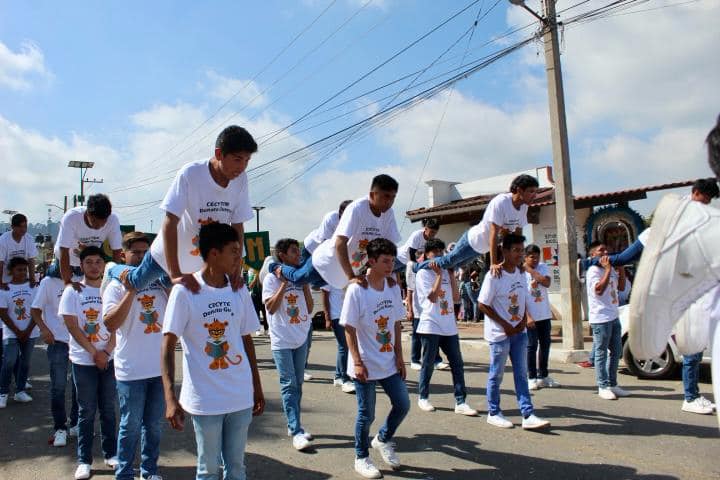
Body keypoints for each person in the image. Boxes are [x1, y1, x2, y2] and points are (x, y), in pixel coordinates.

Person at [161, 223, 264, 480]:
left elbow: (246, 339)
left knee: (237, 467)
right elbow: (166, 346)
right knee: (208, 469)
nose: (238, 258)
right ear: (214, 253)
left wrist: (256, 386)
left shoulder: (239, 288)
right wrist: (170, 398)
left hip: (239, 396)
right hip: (205, 400)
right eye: (234, 251)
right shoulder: (185, 291)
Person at [107, 126, 258, 294]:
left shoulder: (241, 180)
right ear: (219, 154)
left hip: (201, 262)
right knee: (136, 283)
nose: (242, 166)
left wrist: (237, 267)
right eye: (238, 159)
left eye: (247, 160)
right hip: (166, 258)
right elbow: (170, 223)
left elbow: (237, 225)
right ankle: (113, 269)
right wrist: (174, 273)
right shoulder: (191, 174)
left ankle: (166, 280)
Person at [341, 238, 410, 479]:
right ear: (371, 261)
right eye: (385, 261)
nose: (391, 265)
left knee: (403, 404)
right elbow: (348, 328)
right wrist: (357, 362)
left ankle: (382, 439)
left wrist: (400, 357)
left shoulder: (392, 286)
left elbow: (396, 324)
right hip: (365, 366)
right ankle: (361, 457)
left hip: (389, 362)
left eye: (392, 260)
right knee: (366, 414)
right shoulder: (357, 289)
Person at [103, 232, 168, 480]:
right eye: (136, 253)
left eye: (145, 253)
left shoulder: (161, 282)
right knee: (129, 426)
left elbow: (178, 313)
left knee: (153, 426)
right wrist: (132, 289)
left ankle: (149, 470)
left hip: (160, 369)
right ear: (123, 255)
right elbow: (110, 323)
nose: (141, 257)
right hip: (131, 370)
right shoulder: (116, 286)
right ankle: (124, 473)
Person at [271, 174, 401, 289]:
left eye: (393, 197)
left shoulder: (389, 215)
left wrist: (388, 276)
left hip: (342, 274)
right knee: (298, 279)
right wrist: (351, 277)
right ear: (373, 194)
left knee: (315, 286)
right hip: (327, 262)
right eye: (386, 196)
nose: (389, 202)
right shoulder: (357, 209)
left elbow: (388, 249)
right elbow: (340, 243)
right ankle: (274, 266)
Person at [478, 234, 550, 430]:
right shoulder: (494, 275)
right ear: (505, 251)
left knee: (521, 373)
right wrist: (505, 325)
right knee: (497, 374)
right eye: (516, 250)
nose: (520, 254)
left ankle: (527, 413)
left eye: (522, 250)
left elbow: (523, 298)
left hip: (519, 333)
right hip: (500, 335)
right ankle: (493, 412)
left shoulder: (520, 272)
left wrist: (524, 320)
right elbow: (482, 304)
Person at [59, 246, 118, 480]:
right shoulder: (73, 291)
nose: (94, 266)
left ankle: (111, 454)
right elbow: (72, 326)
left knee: (109, 410)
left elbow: (118, 324)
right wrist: (95, 352)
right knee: (86, 411)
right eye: (89, 262)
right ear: (81, 265)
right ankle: (84, 460)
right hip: (84, 361)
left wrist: (108, 351)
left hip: (109, 359)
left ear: (104, 265)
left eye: (98, 262)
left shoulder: (112, 289)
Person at [581, 178, 719, 271]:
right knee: (620, 259)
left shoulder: (692, 208)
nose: (707, 202)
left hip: (657, 247)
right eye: (706, 198)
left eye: (710, 199)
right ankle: (585, 263)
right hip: (649, 241)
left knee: (622, 258)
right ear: (696, 192)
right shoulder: (685, 206)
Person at [413, 175, 539, 276]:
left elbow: (517, 237)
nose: (535, 195)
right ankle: (416, 266)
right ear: (519, 190)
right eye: (531, 191)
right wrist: (493, 263)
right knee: (448, 261)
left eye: (536, 192)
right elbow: (493, 233)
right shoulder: (501, 202)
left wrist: (518, 262)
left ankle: (428, 272)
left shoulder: (523, 208)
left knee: (453, 267)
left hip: (481, 249)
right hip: (472, 241)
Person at [262, 238, 314, 451]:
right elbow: (271, 308)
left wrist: (304, 284)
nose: (298, 255)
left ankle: (296, 423)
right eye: (294, 251)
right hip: (281, 339)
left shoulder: (302, 277)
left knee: (298, 383)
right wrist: (284, 281)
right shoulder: (270, 280)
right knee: (288, 383)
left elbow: (310, 308)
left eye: (298, 251)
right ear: (282, 255)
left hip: (301, 336)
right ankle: (295, 430)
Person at [414, 238, 477, 416]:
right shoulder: (423, 274)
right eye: (436, 253)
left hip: (448, 325)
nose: (440, 257)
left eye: (442, 253)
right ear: (427, 255)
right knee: (428, 363)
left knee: (457, 363)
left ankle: (461, 401)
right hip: (430, 324)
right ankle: (423, 397)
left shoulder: (447, 272)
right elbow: (432, 298)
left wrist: (450, 276)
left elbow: (456, 299)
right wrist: (439, 276)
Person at [31, 264, 79, 446]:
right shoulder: (48, 282)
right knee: (58, 387)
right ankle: (60, 428)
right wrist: (44, 330)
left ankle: (76, 424)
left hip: (80, 342)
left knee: (79, 387)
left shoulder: (81, 278)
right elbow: (35, 310)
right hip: (58, 342)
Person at [49, 194, 123, 289]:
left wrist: (114, 280)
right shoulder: (71, 217)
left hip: (87, 262)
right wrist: (67, 282)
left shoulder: (113, 220)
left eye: (103, 223)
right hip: (64, 260)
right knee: (49, 280)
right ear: (88, 213)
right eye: (94, 221)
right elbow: (64, 249)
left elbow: (117, 251)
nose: (99, 226)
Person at [586, 241, 630, 401]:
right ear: (592, 255)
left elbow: (621, 287)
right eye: (600, 250)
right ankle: (602, 386)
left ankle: (612, 383)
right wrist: (606, 270)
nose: (605, 252)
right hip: (600, 318)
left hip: (613, 315)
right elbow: (598, 290)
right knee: (601, 352)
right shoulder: (593, 270)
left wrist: (621, 267)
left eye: (606, 249)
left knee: (616, 352)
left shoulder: (609, 268)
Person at [0, 257, 38, 408]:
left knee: (25, 362)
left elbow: (37, 310)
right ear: (11, 271)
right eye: (19, 269)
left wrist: (27, 330)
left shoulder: (33, 287)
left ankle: (20, 391)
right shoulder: (5, 289)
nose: (22, 272)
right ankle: (3, 392)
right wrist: (17, 331)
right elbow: (3, 313)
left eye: (24, 269)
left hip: (30, 332)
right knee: (9, 361)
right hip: (11, 332)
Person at [523, 244, 559, 391]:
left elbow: (547, 282)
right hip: (531, 317)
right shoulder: (519, 273)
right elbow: (519, 297)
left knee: (545, 346)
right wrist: (527, 317)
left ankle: (543, 376)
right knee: (531, 347)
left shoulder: (542, 267)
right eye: (532, 257)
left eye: (537, 256)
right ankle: (531, 377)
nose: (535, 259)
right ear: (525, 257)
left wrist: (530, 269)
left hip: (544, 315)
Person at [405, 248, 445, 371]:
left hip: (431, 308)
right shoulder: (413, 267)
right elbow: (410, 290)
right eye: (420, 255)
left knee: (434, 334)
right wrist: (410, 309)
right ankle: (415, 359)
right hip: (418, 308)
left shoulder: (433, 268)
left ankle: (436, 360)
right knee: (417, 336)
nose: (422, 257)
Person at [323, 284, 355, 393]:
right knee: (344, 346)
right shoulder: (329, 273)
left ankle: (338, 377)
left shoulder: (346, 273)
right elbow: (325, 295)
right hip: (336, 315)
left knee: (343, 347)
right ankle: (345, 379)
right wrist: (327, 317)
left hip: (347, 315)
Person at [0, 213, 38, 289]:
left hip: (23, 280)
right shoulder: (3, 240)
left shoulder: (29, 239)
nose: (23, 229)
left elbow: (31, 260)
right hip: (6, 281)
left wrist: (32, 279)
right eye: (20, 227)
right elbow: (0, 263)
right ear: (12, 227)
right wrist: (0, 283)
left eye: (25, 226)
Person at [247, 267, 268, 336]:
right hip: (255, 295)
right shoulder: (251, 274)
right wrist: (256, 278)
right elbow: (250, 286)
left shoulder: (263, 274)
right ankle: (257, 329)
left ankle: (266, 329)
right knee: (256, 313)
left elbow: (265, 285)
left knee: (265, 312)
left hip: (262, 294)